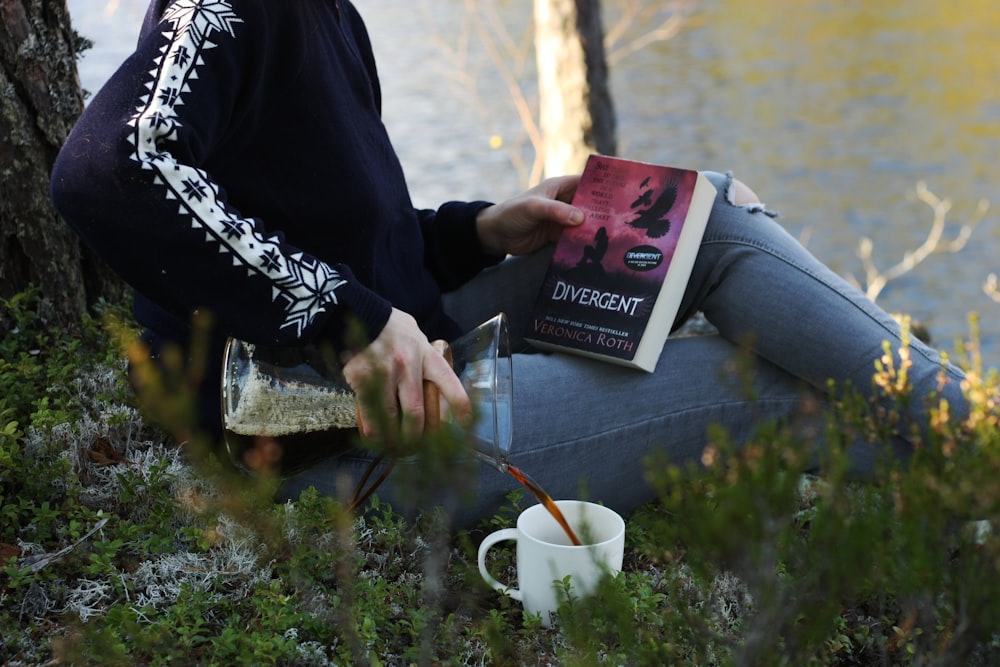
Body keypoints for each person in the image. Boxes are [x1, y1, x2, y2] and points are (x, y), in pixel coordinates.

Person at [51, 0, 969, 529]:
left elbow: (336, 227)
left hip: (421, 360)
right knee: (772, 383)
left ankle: (972, 419)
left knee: (700, 215)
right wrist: (346, 324)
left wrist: (480, 229)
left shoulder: (326, 12)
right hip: (323, 445)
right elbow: (106, 170)